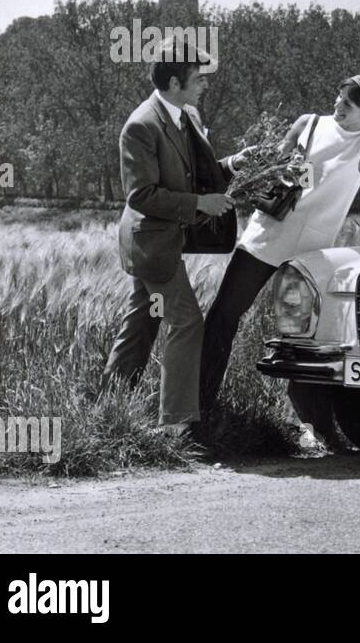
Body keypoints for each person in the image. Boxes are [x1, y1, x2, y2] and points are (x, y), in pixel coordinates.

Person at [198, 73, 360, 446]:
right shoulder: (307, 124)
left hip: (311, 254)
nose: (337, 107)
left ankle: (318, 427)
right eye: (337, 99)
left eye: (348, 104)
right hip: (265, 236)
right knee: (223, 317)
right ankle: (200, 410)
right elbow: (273, 166)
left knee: (311, 340)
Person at [100, 37, 247, 441]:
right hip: (151, 244)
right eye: (197, 78)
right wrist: (200, 203)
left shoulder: (185, 116)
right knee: (187, 322)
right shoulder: (141, 126)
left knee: (141, 322)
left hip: (162, 241)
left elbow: (191, 172)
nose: (205, 84)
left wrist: (233, 164)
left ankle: (108, 410)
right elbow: (141, 195)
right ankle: (176, 425)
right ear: (174, 82)